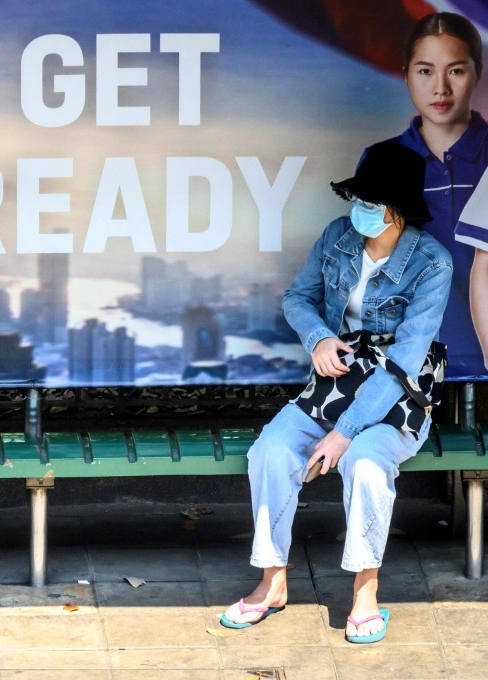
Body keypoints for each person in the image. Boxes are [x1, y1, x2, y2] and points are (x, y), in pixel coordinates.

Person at [219, 143, 451, 643]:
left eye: (370, 202)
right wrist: (319, 338)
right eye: (357, 198)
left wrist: (345, 434)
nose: (358, 209)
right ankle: (271, 583)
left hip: (398, 393)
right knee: (270, 452)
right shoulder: (337, 237)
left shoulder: (433, 263)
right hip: (333, 383)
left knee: (365, 464)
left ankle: (365, 593)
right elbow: (298, 297)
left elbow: (407, 360)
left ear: (395, 210)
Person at [376, 11, 487, 375]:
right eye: (425, 71)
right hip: (410, 358)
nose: (441, 87)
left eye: (456, 70)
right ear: (406, 75)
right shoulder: (382, 161)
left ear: (478, 73)